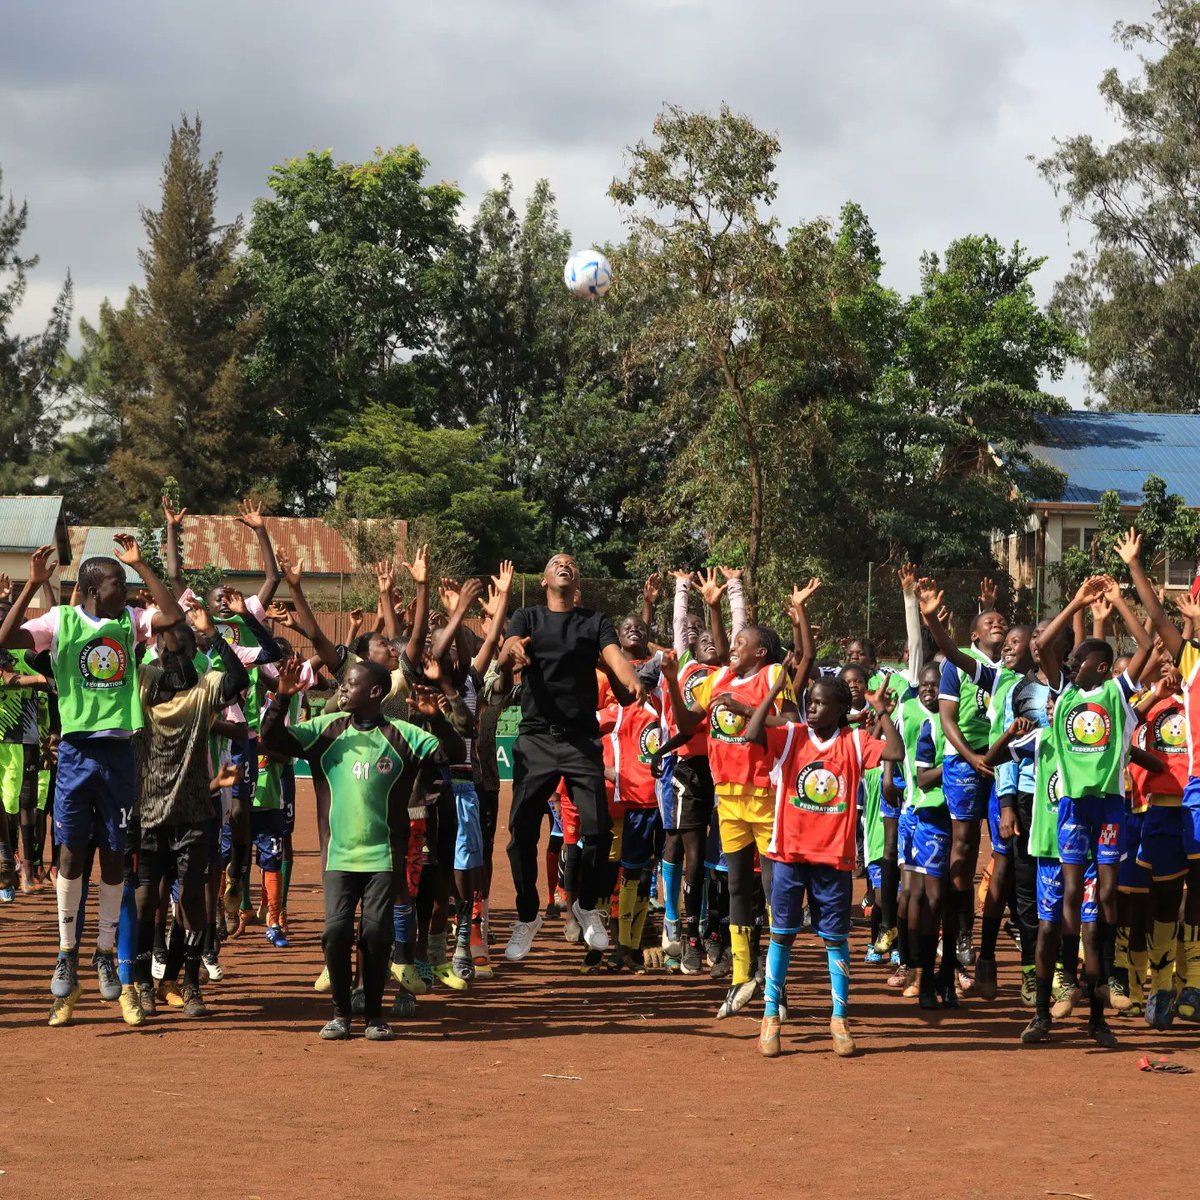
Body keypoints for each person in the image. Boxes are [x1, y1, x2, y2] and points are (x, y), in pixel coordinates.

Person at [0, 538, 184, 1023]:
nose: (126, 591)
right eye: (117, 584)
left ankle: (104, 954)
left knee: (116, 856)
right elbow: (3, 639)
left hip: (120, 753)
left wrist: (140, 564)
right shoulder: (61, 622)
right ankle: (66, 953)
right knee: (70, 854)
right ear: (91, 592)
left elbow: (172, 616)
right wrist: (33, 585)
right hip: (78, 753)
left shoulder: (130, 621)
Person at [261, 656, 464, 1040]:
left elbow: (452, 754)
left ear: (374, 692)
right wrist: (281, 699)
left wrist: (435, 719)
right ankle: (340, 1014)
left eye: (349, 684)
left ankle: (374, 1016)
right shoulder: (327, 730)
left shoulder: (403, 735)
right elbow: (272, 739)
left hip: (384, 858)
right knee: (335, 933)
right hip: (338, 857)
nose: (342, 689)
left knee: (374, 936)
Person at [743, 666, 904, 1057]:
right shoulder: (792, 736)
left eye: (819, 703)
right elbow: (750, 734)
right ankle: (770, 1017)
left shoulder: (853, 741)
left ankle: (838, 1019)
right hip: (789, 855)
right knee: (782, 934)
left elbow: (896, 752)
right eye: (809, 702)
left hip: (832, 860)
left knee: (835, 941)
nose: (811, 708)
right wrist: (774, 692)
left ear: (839, 710)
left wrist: (881, 712)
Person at [497, 553, 646, 961]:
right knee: (521, 832)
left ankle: (586, 905)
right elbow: (509, 645)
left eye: (570, 562)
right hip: (537, 738)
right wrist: (513, 653)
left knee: (597, 829)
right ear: (545, 579)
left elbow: (614, 655)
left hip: (581, 740)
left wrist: (631, 679)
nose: (565, 564)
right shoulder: (527, 616)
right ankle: (528, 915)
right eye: (556, 562)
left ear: (575, 578)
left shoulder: (594, 621)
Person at [1036, 572, 1152, 1049]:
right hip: (1071, 808)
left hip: (1107, 806)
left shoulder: (1112, 692)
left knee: (1105, 897)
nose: (1073, 662)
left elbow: (1144, 645)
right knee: (1068, 893)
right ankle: (1071, 972)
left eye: (1082, 659)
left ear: (1100, 669)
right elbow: (1044, 645)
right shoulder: (1064, 691)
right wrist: (1078, 603)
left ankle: (1097, 975)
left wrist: (1121, 600)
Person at [665, 620, 798, 1018]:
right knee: (737, 886)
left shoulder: (775, 675)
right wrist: (672, 682)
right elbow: (688, 724)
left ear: (761, 651)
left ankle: (777, 983)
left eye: (743, 642)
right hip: (728, 796)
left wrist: (748, 709)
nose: (733, 647)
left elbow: (791, 723)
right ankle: (742, 976)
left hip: (768, 796)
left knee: (776, 892)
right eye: (734, 641)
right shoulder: (718, 677)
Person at [130, 605, 250, 1023]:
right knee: (146, 902)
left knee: (194, 903)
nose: (170, 656)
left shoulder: (203, 689)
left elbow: (240, 679)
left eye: (178, 648)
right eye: (164, 648)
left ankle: (190, 982)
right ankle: (145, 982)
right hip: (148, 813)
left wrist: (213, 634)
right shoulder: (143, 684)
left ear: (191, 654)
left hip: (196, 814)